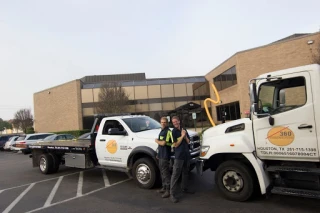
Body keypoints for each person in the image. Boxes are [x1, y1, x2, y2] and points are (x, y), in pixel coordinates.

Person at [170, 116, 194, 203]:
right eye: (173, 122)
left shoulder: (184, 129)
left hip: (186, 155)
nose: (175, 123)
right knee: (175, 175)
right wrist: (182, 136)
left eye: (176, 121)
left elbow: (188, 141)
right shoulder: (173, 132)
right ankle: (172, 194)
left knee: (185, 172)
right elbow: (175, 145)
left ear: (179, 121)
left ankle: (184, 188)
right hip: (179, 156)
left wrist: (185, 136)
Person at [155, 117, 173, 198]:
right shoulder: (162, 131)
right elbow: (160, 145)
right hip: (161, 155)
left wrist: (156, 141)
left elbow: (163, 143)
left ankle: (168, 191)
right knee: (162, 172)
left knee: (166, 173)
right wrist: (158, 154)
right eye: (162, 122)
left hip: (165, 155)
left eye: (165, 122)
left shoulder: (168, 131)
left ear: (167, 123)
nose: (163, 123)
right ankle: (164, 187)